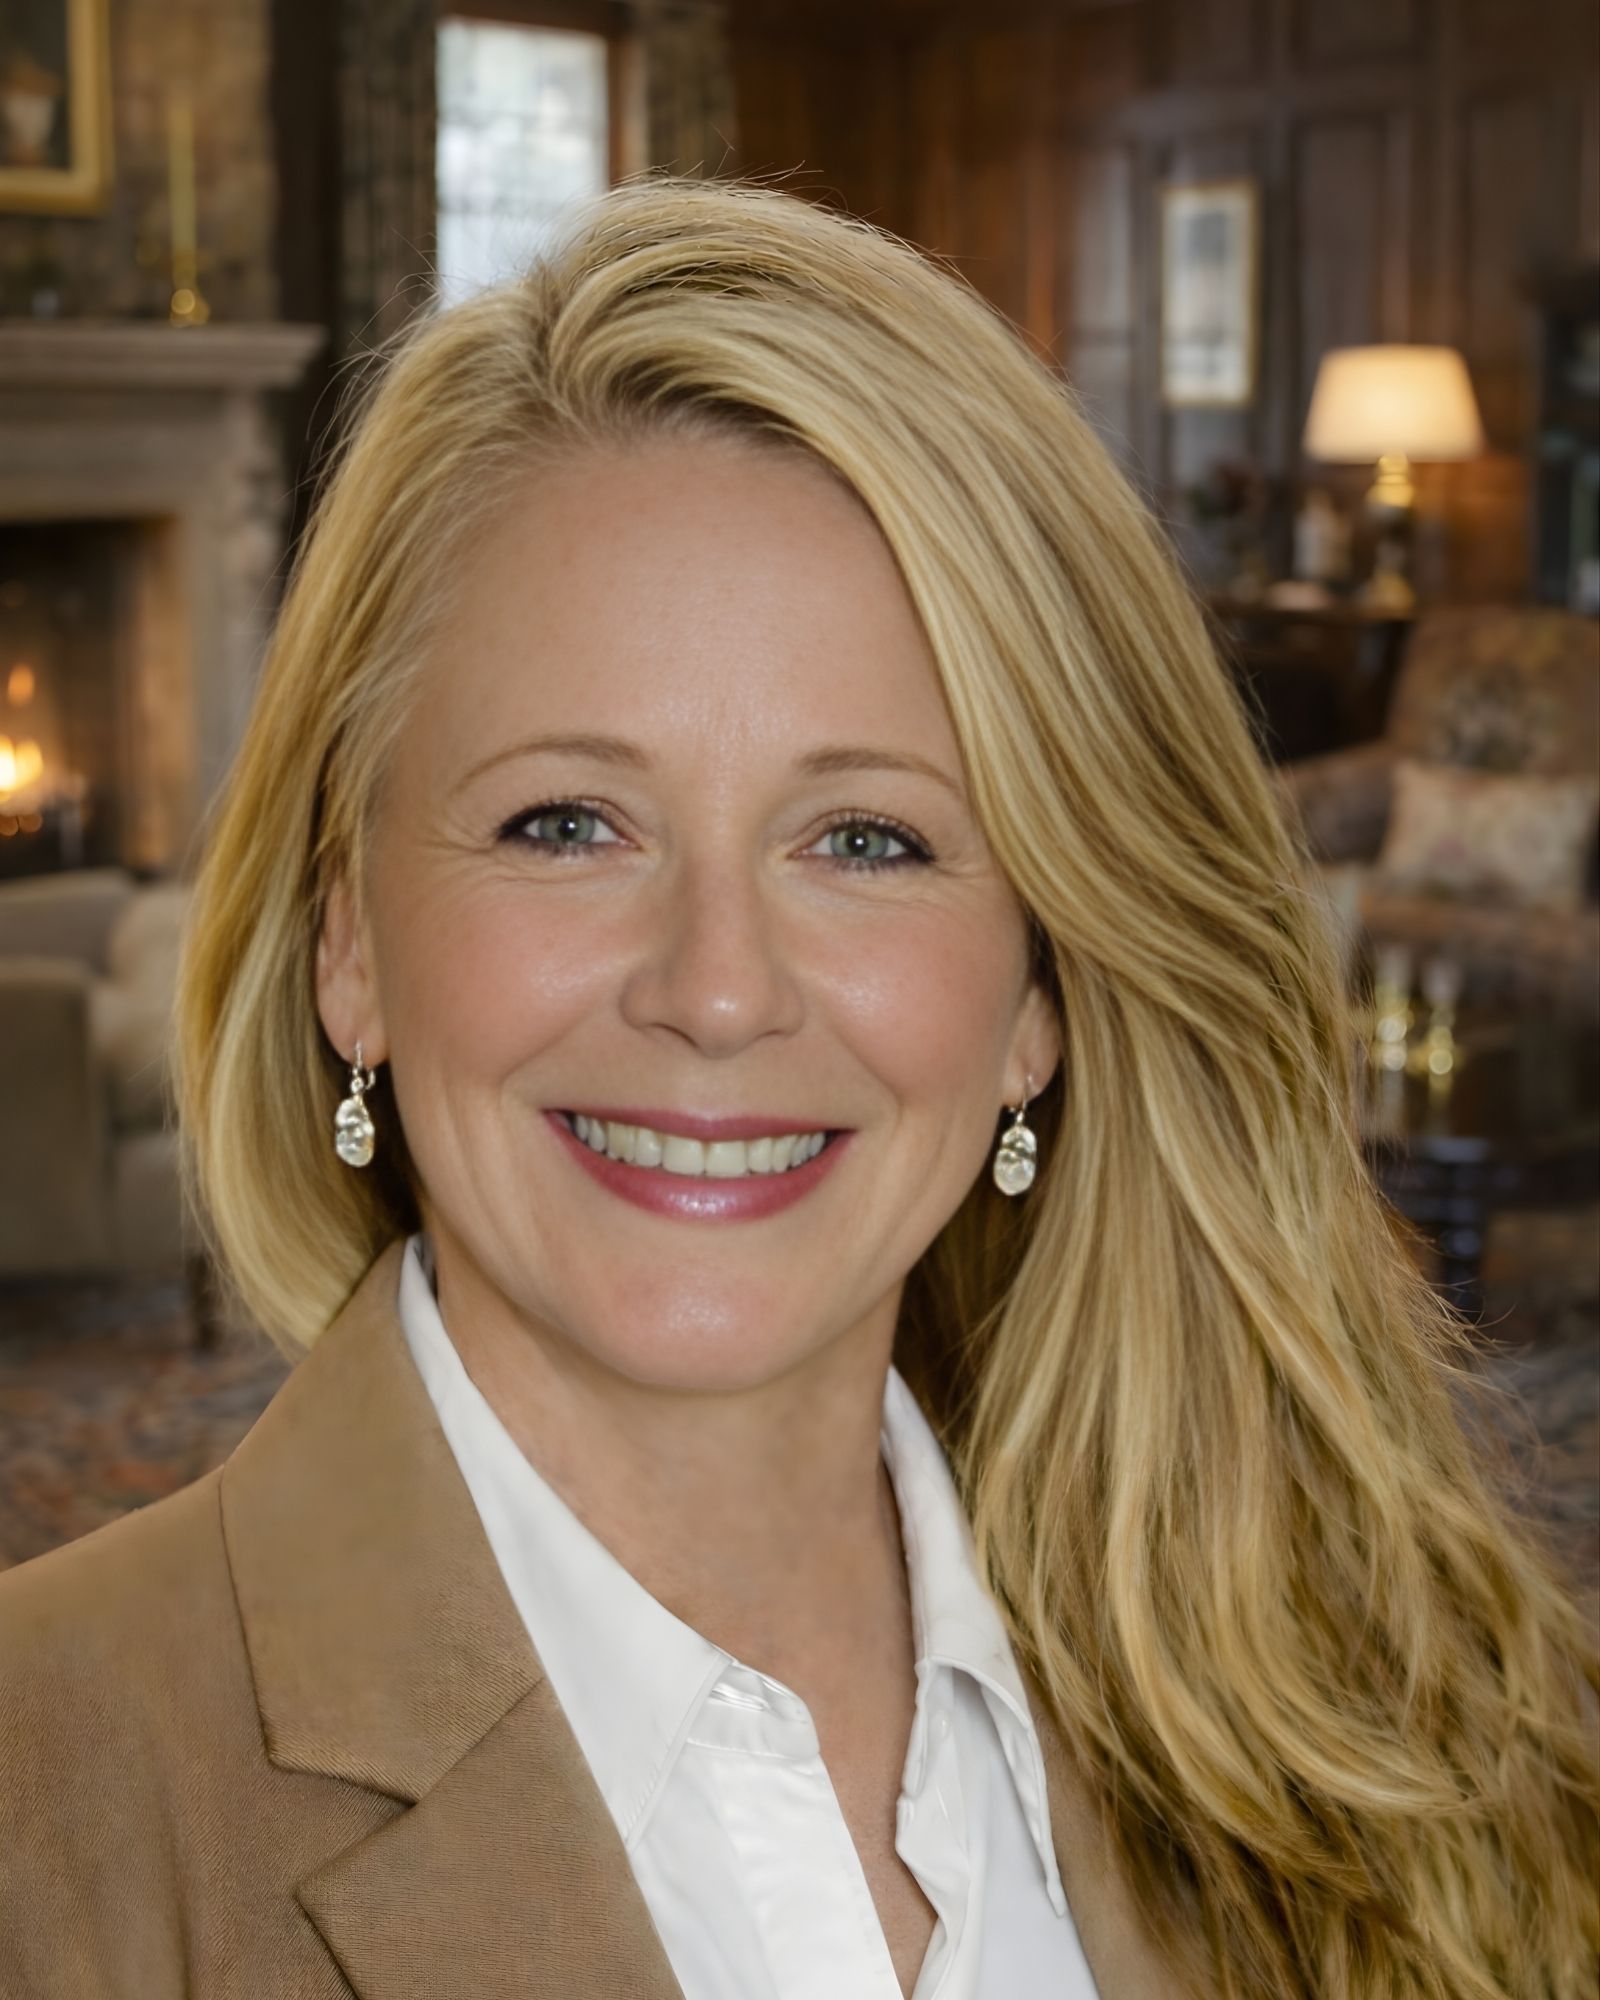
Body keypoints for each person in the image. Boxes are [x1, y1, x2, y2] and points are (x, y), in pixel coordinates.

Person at [1, 176, 1595, 2000]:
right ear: (346, 939)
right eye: (566, 823)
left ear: (1041, 996)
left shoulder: (1376, 1708)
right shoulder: (44, 1805)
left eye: (866, 839)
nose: (718, 990)